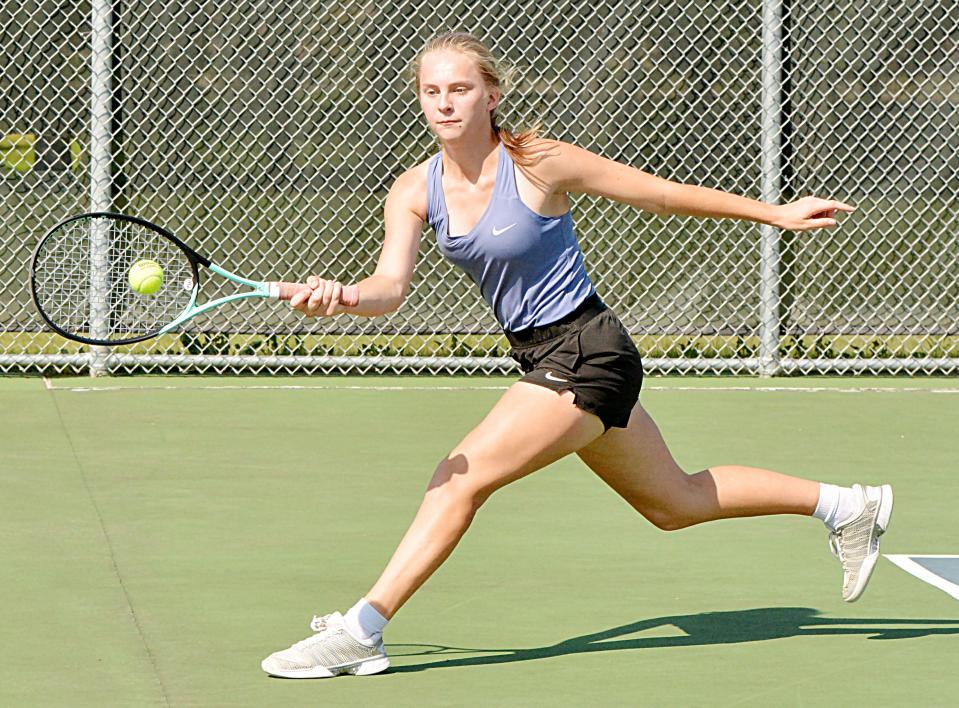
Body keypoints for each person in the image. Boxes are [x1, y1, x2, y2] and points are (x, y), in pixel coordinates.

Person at [260, 32, 893, 679]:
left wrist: (773, 214)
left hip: (587, 349)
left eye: (459, 89)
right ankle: (846, 506)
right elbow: (386, 290)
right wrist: (340, 297)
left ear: (491, 95)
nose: (444, 103)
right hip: (543, 356)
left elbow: (660, 195)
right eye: (431, 91)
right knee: (674, 502)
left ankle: (362, 629)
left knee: (460, 477)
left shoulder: (538, 161)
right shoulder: (414, 189)